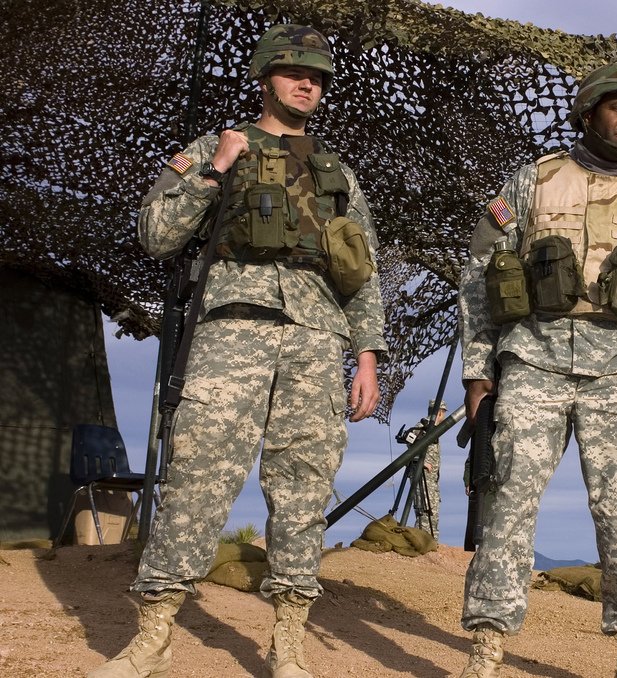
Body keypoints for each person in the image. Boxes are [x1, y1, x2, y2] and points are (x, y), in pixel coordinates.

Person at [89, 24, 386, 678]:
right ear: (266, 79)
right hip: (231, 329)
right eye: (294, 72)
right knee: (198, 476)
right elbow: (156, 234)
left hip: (315, 339)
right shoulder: (216, 147)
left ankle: (288, 642)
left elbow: (360, 273)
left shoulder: (336, 173)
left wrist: (367, 354)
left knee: (304, 487)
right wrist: (215, 169)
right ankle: (154, 635)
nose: (308, 84)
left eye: (318, 77)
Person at [456, 62, 617, 678]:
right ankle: (486, 651)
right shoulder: (532, 184)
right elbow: (480, 276)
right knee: (507, 503)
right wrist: (476, 371)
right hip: (533, 357)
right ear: (589, 112)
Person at [413, 399, 447, 535]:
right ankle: (422, 539)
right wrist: (422, 463)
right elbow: (411, 446)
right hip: (423, 476)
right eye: (443, 412)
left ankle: (430, 540)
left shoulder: (432, 428)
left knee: (432, 508)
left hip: (432, 478)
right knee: (426, 509)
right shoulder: (423, 426)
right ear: (439, 412)